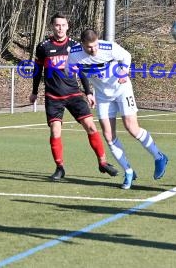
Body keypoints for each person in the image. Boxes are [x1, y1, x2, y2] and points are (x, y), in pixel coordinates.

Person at [67, 29, 169, 190]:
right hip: (102, 96)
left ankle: (159, 157)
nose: (92, 50)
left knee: (131, 128)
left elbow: (126, 56)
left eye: (94, 46)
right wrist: (77, 79)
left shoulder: (109, 47)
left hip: (122, 90)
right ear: (82, 45)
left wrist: (124, 71)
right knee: (108, 135)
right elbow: (70, 70)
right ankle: (128, 171)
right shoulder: (74, 53)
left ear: (98, 41)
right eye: (88, 47)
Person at [30, 14, 118, 181]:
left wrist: (89, 92)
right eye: (57, 25)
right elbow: (37, 71)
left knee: (91, 127)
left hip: (74, 94)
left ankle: (103, 162)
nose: (60, 28)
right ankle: (59, 167)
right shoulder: (43, 46)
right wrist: (34, 92)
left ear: (68, 26)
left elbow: (82, 70)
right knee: (55, 131)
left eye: (63, 25)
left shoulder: (75, 47)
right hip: (53, 96)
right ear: (52, 26)